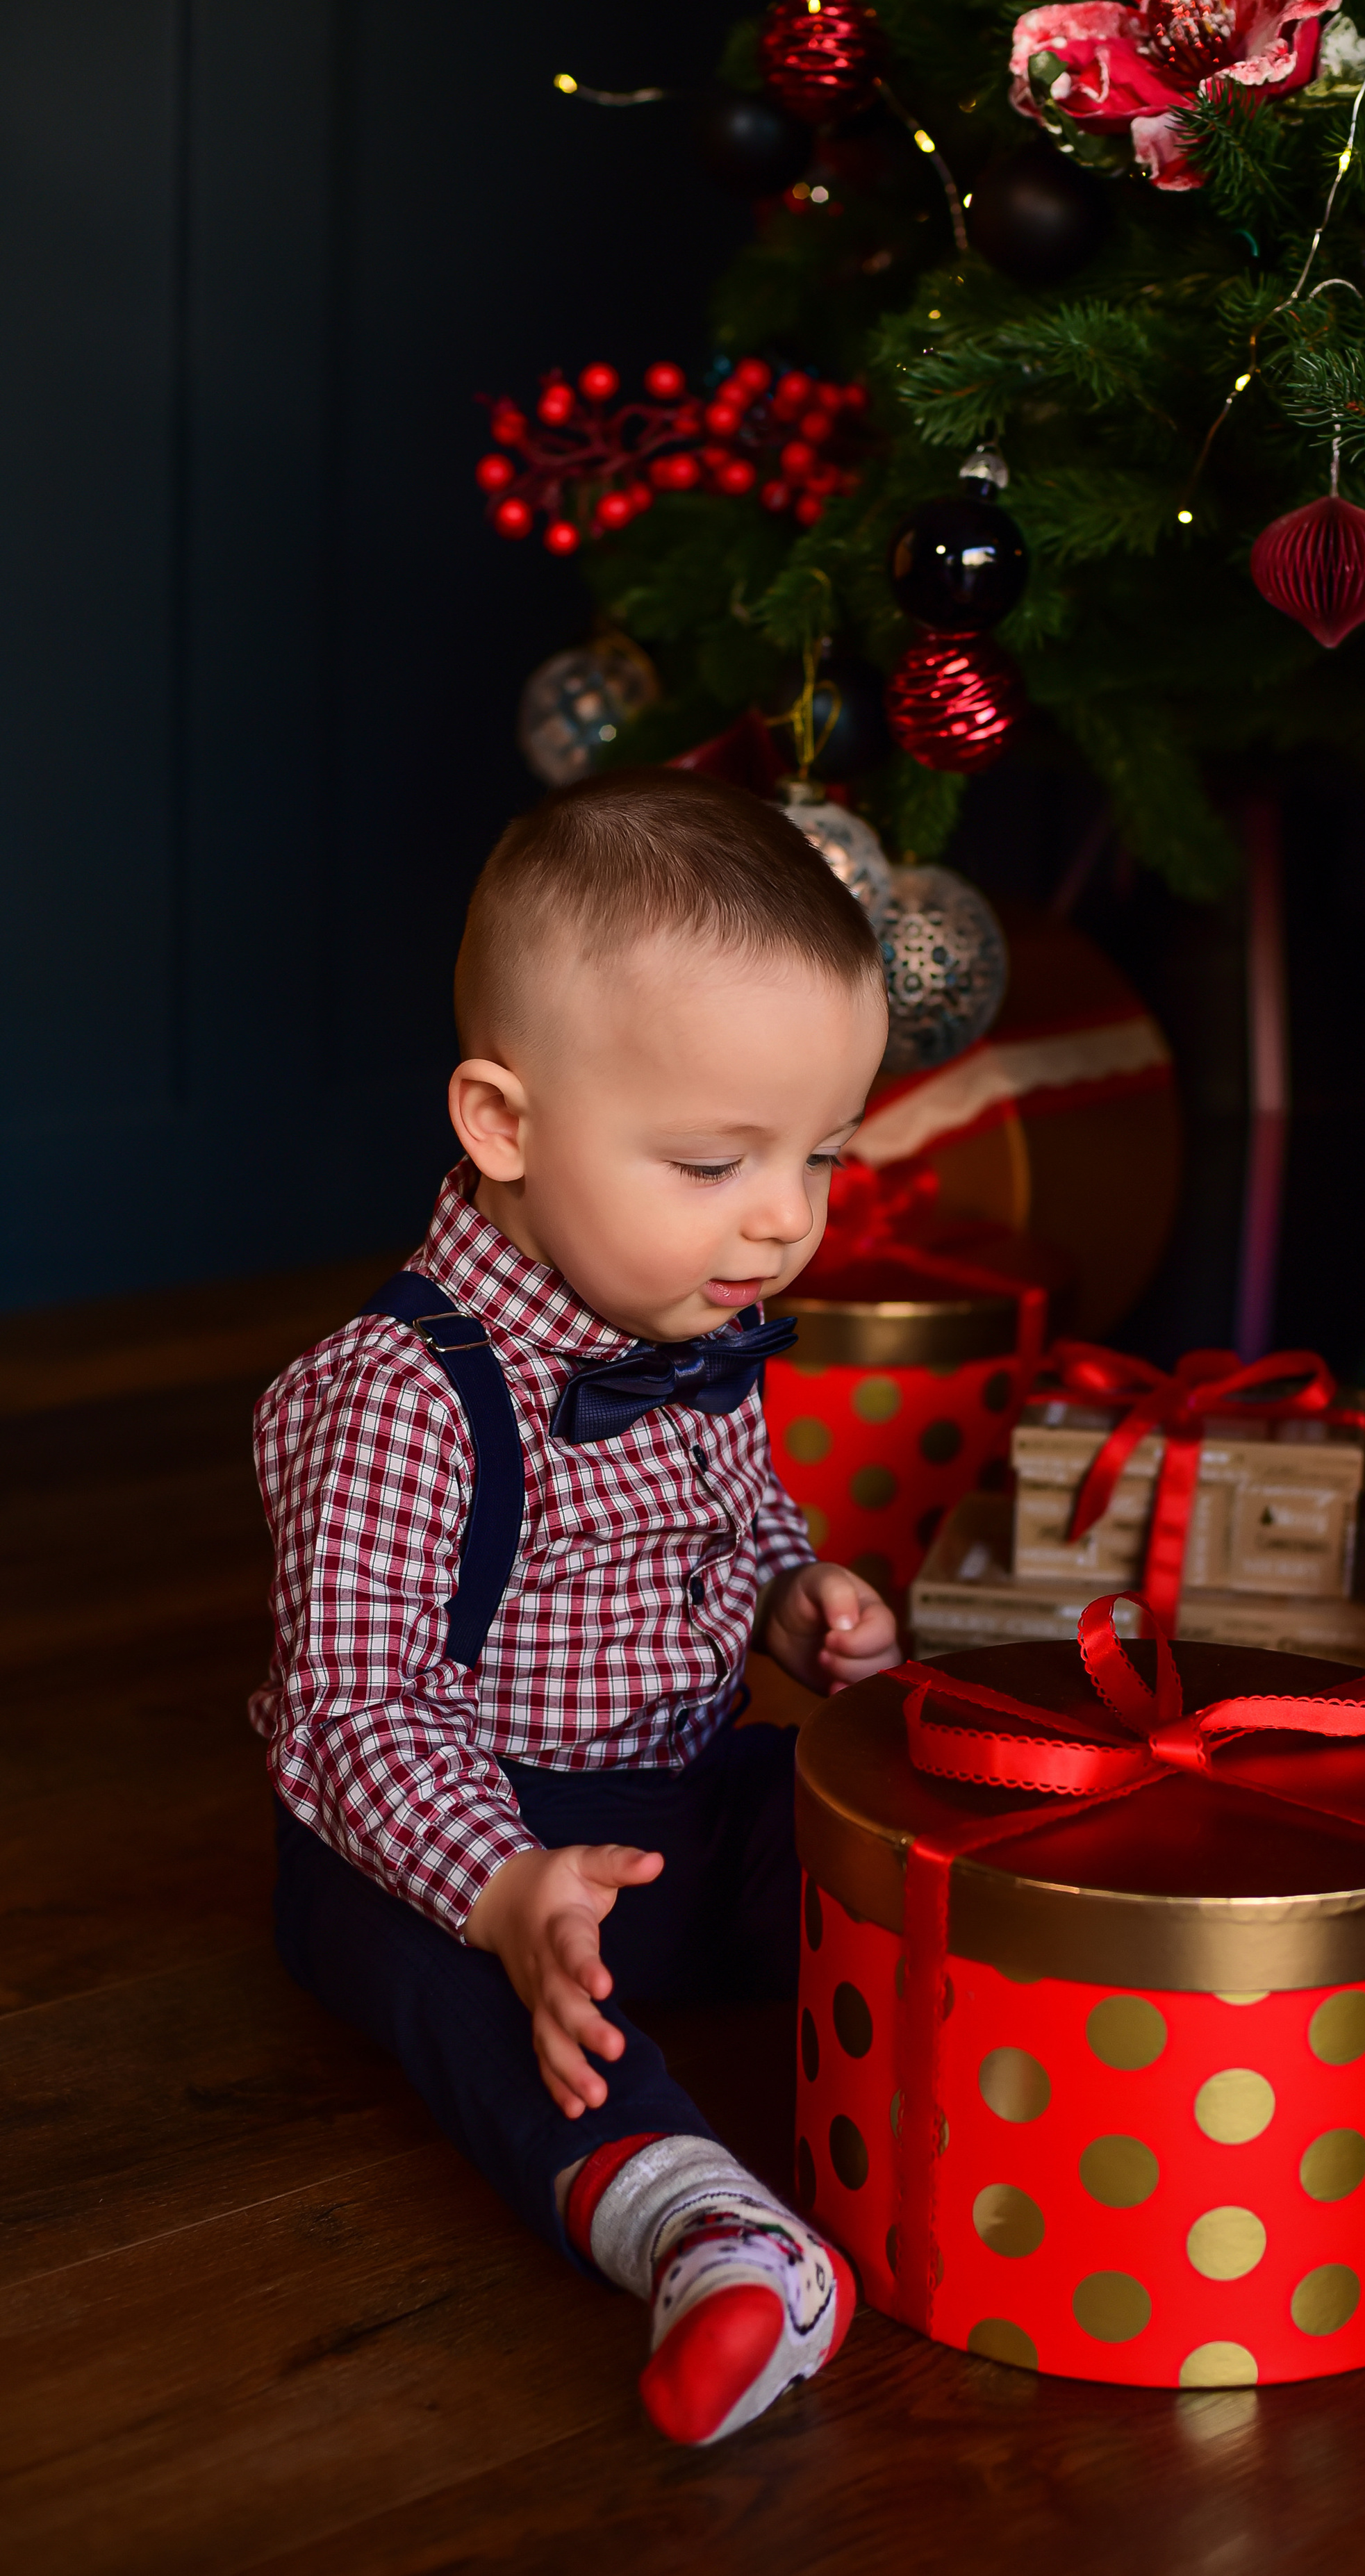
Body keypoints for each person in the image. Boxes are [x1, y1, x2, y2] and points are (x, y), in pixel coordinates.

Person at [251, 772, 900, 2445]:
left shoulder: (692, 1300)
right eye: (710, 1159)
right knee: (417, 1967)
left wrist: (791, 1595)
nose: (780, 1215)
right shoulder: (401, 1395)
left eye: (817, 1155)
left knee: (859, 1805)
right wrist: (506, 1885)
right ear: (503, 1124)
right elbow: (355, 1711)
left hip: (674, 1801)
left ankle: (1149, 1996)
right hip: (467, 1847)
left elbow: (732, 1518)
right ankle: (693, 2223)